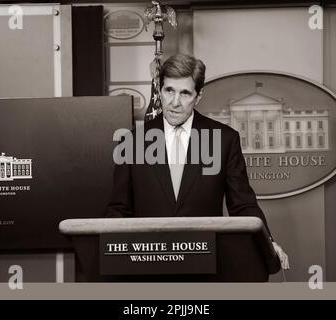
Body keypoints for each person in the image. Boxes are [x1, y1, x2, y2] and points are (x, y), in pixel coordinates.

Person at [106, 53, 289, 269]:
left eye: (185, 93)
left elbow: (243, 205)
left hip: (206, 263)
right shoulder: (132, 142)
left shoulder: (224, 140)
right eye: (169, 91)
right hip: (147, 265)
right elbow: (119, 208)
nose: (175, 102)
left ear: (198, 96)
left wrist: (267, 242)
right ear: (159, 90)